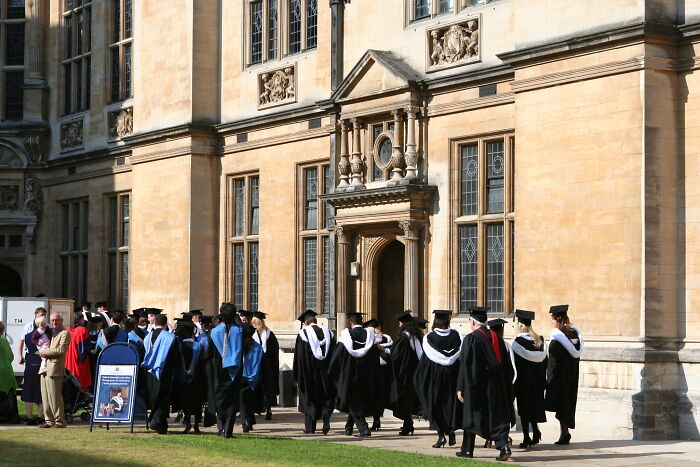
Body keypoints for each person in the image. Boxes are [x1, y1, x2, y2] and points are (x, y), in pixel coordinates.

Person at [455, 306, 515, 461]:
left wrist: (461, 387)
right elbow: (507, 364)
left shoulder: (471, 338)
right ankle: (503, 446)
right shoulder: (497, 337)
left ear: (472, 322)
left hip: (477, 385)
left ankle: (468, 450)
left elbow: (465, 364)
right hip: (497, 384)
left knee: (471, 414)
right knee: (496, 416)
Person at [327, 312, 380, 438]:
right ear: (361, 322)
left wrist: (333, 374)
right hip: (366, 376)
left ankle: (364, 429)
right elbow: (375, 359)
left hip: (349, 375)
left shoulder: (346, 337)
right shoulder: (370, 336)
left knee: (353, 401)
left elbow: (337, 358)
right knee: (356, 401)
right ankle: (349, 426)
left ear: (351, 323)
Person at [414, 309, 462, 449]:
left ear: (435, 321)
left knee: (437, 405)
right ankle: (451, 431)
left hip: (436, 378)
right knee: (451, 404)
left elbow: (425, 362)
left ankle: (441, 436)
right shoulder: (457, 335)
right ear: (448, 321)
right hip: (453, 376)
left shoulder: (429, 338)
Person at [545, 304, 584, 445]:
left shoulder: (557, 339)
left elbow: (553, 363)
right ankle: (565, 432)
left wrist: (549, 380)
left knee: (561, 404)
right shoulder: (574, 334)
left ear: (558, 319)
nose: (551, 322)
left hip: (561, 377)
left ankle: (564, 433)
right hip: (573, 376)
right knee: (568, 404)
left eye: (552, 319)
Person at [292, 310, 335, 435]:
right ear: (316, 321)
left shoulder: (303, 334)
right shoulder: (329, 334)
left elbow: (299, 358)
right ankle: (326, 416)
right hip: (326, 374)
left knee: (309, 399)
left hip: (309, 375)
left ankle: (310, 427)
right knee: (325, 396)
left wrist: (298, 375)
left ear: (305, 322)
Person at [511, 309, 547, 449]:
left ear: (519, 325)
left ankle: (526, 438)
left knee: (525, 410)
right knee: (533, 407)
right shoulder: (540, 341)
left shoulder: (517, 343)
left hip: (523, 383)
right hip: (538, 382)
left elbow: (515, 365)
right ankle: (536, 432)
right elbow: (545, 362)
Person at [206, 303, 243, 438]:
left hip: (218, 369)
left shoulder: (214, 332)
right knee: (232, 399)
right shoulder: (239, 331)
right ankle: (229, 430)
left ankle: (221, 428)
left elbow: (208, 355)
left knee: (219, 399)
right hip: (235, 370)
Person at [142, 313, 179, 434]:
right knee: (162, 398)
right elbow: (174, 357)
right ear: (165, 324)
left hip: (149, 371)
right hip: (164, 371)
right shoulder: (170, 337)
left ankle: (162, 426)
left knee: (154, 398)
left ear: (155, 323)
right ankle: (155, 421)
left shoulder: (147, 337)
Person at [390, 310, 423, 436]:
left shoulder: (404, 337)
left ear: (403, 324)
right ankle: (407, 424)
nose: (398, 325)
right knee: (408, 400)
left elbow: (396, 356)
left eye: (400, 323)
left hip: (404, 375)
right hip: (414, 373)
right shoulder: (416, 336)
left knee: (401, 399)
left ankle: (408, 424)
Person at [172, 319, 206, 434]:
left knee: (185, 401)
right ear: (193, 332)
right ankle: (197, 425)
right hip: (196, 379)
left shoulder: (179, 346)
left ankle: (187, 422)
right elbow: (202, 365)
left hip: (182, 379)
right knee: (197, 401)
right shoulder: (199, 346)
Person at [38, 313, 71, 428]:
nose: (54, 322)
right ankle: (49, 421)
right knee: (46, 397)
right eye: (52, 320)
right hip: (44, 368)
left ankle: (60, 421)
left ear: (61, 321)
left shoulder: (65, 333)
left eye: (56, 320)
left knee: (55, 396)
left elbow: (61, 350)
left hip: (55, 369)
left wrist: (44, 352)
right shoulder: (50, 332)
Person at [362, 318, 392, 431]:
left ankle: (375, 420)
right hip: (382, 372)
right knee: (378, 397)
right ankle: (376, 420)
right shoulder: (385, 338)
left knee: (374, 397)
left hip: (375, 372)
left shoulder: (377, 338)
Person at [251, 311, 279, 421]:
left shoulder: (254, 335)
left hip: (257, 366)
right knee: (266, 387)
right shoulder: (270, 335)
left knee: (259, 387)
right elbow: (274, 352)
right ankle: (268, 408)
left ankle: (259, 408)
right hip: (267, 366)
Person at [21, 317, 44, 425]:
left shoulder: (27, 336)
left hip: (30, 363)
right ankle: (40, 417)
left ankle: (30, 418)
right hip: (41, 363)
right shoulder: (45, 335)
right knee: (41, 391)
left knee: (28, 391)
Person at [65, 313, 92, 390]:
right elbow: (85, 348)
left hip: (67, 360)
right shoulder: (83, 330)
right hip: (79, 361)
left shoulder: (67, 330)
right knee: (79, 383)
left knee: (69, 381)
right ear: (80, 320)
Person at [0, 321, 20, 423]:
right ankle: (9, 417)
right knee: (8, 394)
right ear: (2, 330)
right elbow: (11, 356)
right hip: (4, 371)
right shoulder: (3, 341)